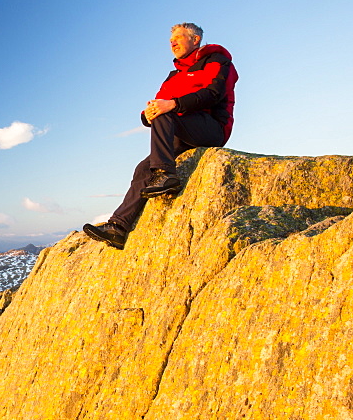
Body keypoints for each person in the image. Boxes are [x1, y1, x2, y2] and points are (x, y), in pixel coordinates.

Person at [83, 23, 238, 250]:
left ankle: (166, 175)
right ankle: (118, 227)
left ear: (195, 40)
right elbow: (156, 109)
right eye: (170, 40)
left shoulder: (216, 61)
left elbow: (213, 95)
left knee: (168, 114)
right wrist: (148, 114)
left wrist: (171, 105)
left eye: (178, 37)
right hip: (181, 133)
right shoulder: (174, 75)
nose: (172, 43)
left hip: (212, 128)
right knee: (143, 168)